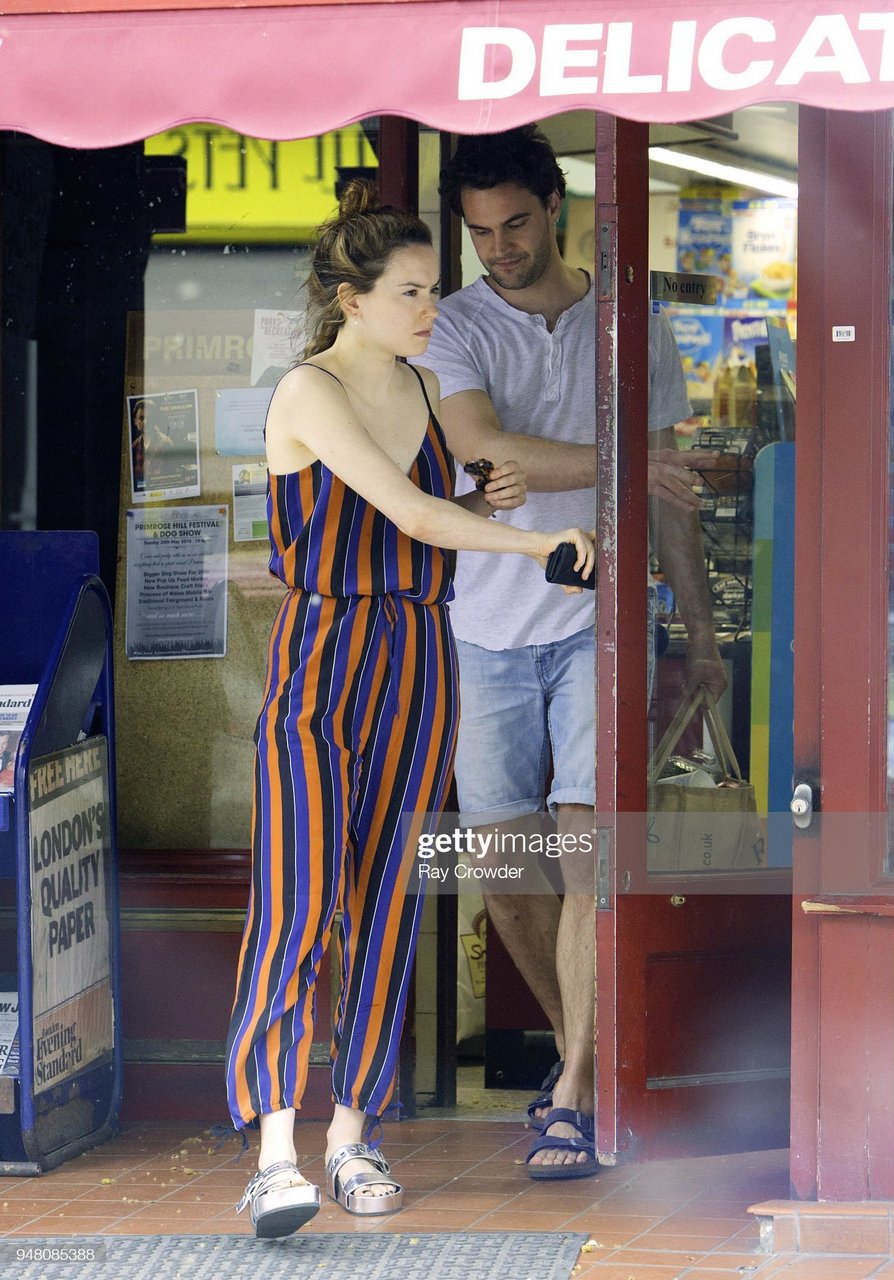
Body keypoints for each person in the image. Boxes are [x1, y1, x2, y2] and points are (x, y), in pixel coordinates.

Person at [224, 179, 596, 1238]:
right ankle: (273, 1149)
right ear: (352, 299)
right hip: (324, 654)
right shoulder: (309, 389)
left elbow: (435, 510)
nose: (431, 308)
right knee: (299, 900)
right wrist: (532, 541)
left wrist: (488, 499)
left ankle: (352, 1135)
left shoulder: (423, 389)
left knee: (390, 901)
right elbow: (404, 513)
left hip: (418, 656)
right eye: (411, 291)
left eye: (433, 290)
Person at [420, 125, 728, 1180]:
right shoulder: (451, 326)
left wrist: (699, 636)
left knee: (587, 851)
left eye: (513, 224)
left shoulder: (626, 321)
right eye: (478, 233)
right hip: (480, 629)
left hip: (601, 626)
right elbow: (482, 447)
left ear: (555, 205)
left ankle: (575, 1093)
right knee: (502, 868)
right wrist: (627, 464)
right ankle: (581, 1063)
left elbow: (674, 494)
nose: (498, 248)